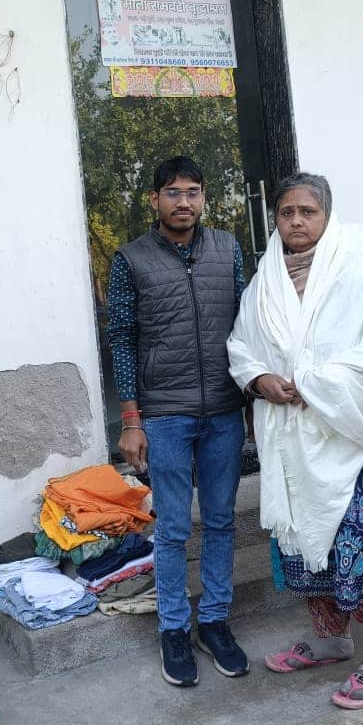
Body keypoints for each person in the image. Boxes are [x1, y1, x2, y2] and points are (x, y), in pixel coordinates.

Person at [227, 173, 363, 710]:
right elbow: (242, 344)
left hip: (351, 434)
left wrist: (316, 381)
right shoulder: (265, 277)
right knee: (306, 551)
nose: (296, 221)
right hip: (294, 442)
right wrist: (258, 380)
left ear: (327, 215)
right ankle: (329, 640)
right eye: (286, 211)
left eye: (307, 212)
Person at [107, 155, 248, 687]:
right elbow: (121, 339)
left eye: (192, 192)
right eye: (172, 193)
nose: (183, 201)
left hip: (224, 410)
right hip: (164, 414)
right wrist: (131, 419)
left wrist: (254, 400)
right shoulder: (131, 259)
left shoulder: (228, 249)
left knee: (219, 521)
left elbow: (247, 324)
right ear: (155, 199)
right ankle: (173, 627)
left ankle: (214, 620)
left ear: (204, 197)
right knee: (170, 527)